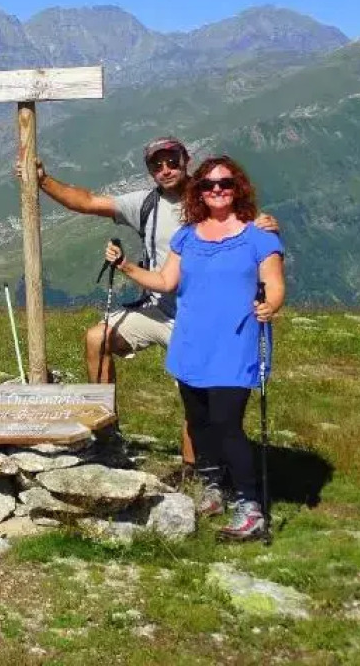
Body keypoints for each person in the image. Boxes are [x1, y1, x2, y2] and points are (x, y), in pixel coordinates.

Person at [17, 137, 277, 473]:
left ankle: (193, 467)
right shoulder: (145, 204)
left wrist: (265, 222)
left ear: (186, 160)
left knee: (195, 388)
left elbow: (246, 226)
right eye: (157, 165)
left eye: (172, 162)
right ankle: (106, 434)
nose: (165, 169)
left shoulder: (211, 197)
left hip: (199, 317)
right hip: (157, 307)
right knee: (97, 339)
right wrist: (42, 180)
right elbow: (87, 202)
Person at [104, 155, 285, 540]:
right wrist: (125, 267)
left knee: (227, 425)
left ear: (238, 188)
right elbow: (166, 281)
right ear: (198, 191)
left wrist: (271, 304)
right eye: (208, 185)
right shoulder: (188, 235)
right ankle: (213, 488)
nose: (217, 190)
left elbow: (274, 282)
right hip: (191, 342)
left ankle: (250, 506)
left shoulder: (260, 236)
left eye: (225, 183)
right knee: (199, 422)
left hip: (235, 343)